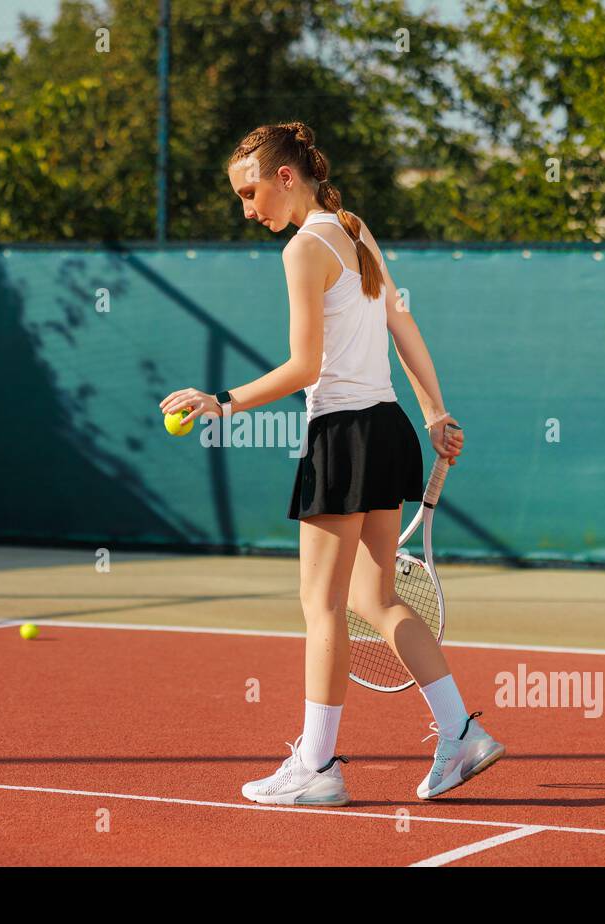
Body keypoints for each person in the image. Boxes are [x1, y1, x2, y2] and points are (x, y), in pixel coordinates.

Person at [158, 121, 504, 805]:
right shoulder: (354, 228)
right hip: (388, 428)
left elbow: (304, 366)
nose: (248, 209)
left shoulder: (304, 249)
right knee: (374, 599)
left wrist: (221, 400)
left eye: (251, 192)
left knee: (321, 607)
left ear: (287, 177)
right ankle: (459, 731)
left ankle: (317, 767)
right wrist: (433, 411)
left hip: (342, 437)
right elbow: (402, 325)